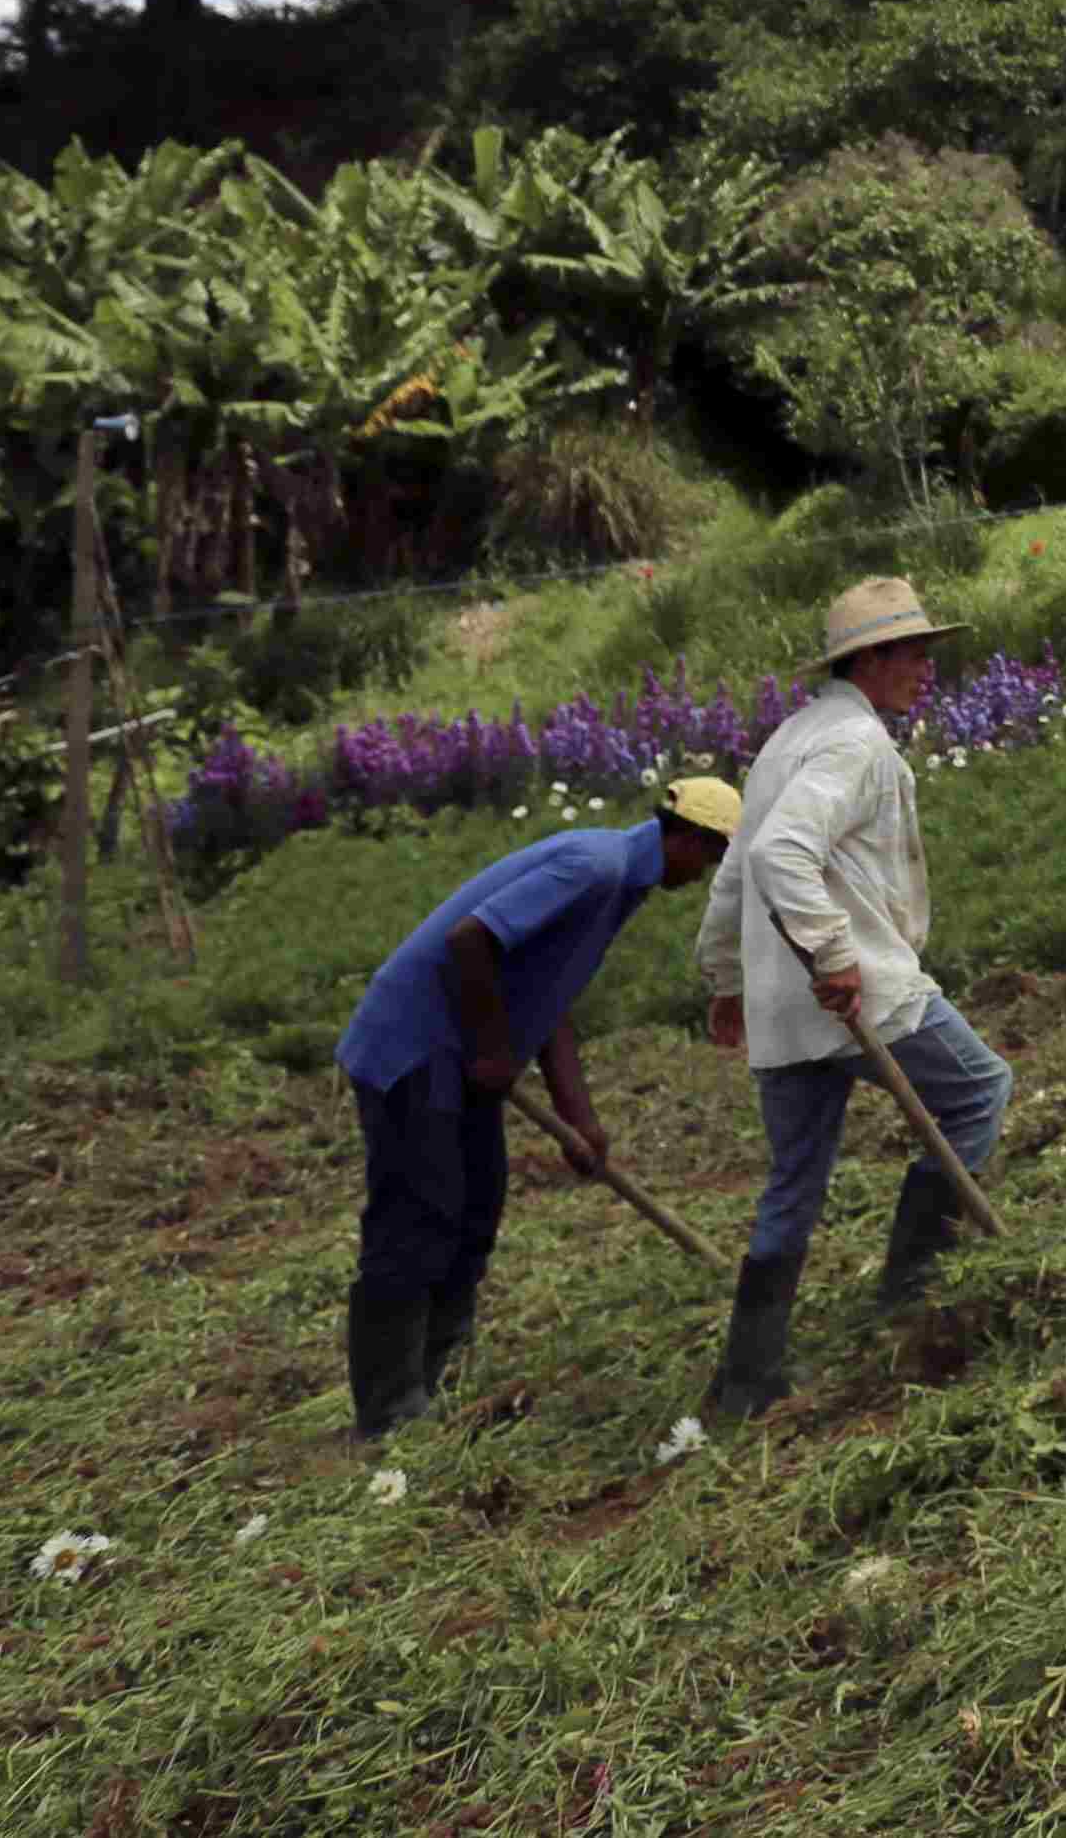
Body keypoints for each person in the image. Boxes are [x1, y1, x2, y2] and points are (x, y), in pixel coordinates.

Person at [330, 771, 741, 1446]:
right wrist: (492, 1052)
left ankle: (437, 1379)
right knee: (417, 1216)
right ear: (689, 839)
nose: (708, 875)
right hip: (416, 1047)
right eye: (714, 855)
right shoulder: (595, 867)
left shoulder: (620, 883)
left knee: (475, 1208)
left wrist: (578, 1119)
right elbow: (471, 941)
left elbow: (550, 1002)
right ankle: (387, 1414)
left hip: (460, 1057)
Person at [692, 575, 1016, 1423]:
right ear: (868, 659)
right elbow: (778, 855)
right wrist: (835, 955)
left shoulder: (788, 741)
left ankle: (747, 1377)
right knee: (980, 1090)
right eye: (912, 653)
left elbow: (737, 868)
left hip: (787, 1004)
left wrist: (728, 977)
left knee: (795, 1179)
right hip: (857, 989)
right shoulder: (855, 747)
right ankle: (911, 1295)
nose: (926, 669)